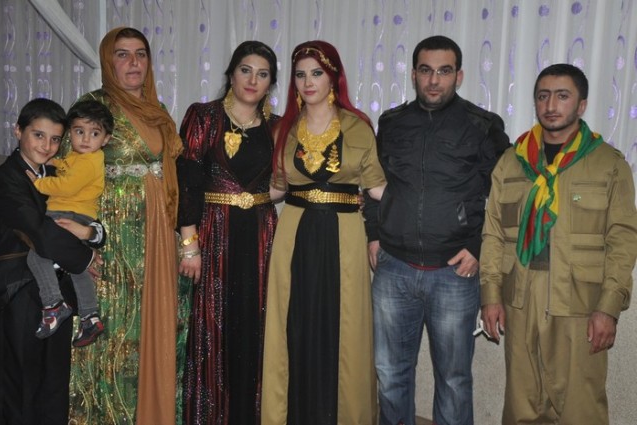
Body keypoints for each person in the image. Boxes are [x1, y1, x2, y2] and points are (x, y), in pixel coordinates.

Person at [363, 35, 510, 425]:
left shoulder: (483, 125)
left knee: (454, 380)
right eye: (426, 71)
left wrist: (477, 245)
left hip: (454, 274)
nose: (433, 80)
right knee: (390, 375)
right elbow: (372, 180)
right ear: (413, 74)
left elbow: (505, 195)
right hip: (394, 269)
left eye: (444, 71)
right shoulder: (391, 123)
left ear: (458, 76)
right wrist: (373, 234)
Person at [480, 63, 637, 424]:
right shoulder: (512, 161)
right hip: (520, 298)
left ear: (581, 105)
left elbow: (623, 239)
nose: (551, 105)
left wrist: (608, 307)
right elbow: (493, 233)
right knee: (521, 405)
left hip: (579, 301)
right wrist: (490, 295)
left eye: (562, 96)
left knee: (580, 407)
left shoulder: (608, 164)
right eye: (543, 96)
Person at [68, 27, 189, 425]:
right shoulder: (92, 107)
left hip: (159, 231)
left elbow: (172, 171)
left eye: (141, 54)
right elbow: (70, 177)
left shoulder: (158, 109)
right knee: (116, 326)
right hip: (112, 235)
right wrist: (78, 245)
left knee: (158, 321)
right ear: (108, 61)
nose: (134, 62)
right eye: (122, 54)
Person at [261, 40, 386, 425]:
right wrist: (228, 201)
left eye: (316, 73)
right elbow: (275, 189)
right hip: (294, 234)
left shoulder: (358, 126)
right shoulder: (283, 129)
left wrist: (428, 208)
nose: (308, 81)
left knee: (342, 326)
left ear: (333, 76)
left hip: (344, 236)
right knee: (294, 324)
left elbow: (377, 189)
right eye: (300, 74)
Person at [177, 40, 279, 424]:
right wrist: (189, 244)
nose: (253, 80)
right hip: (213, 233)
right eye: (245, 70)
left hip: (260, 236)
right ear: (231, 74)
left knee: (255, 323)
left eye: (263, 74)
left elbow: (284, 183)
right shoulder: (203, 116)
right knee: (213, 324)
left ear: (270, 83)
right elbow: (187, 181)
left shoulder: (277, 126)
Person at [0, 98, 105, 425]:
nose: (47, 146)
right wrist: (85, 257)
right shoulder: (7, 178)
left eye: (55, 139)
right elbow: (39, 232)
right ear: (18, 131)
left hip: (59, 292)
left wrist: (92, 233)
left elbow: (85, 211)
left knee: (55, 382)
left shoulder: (60, 171)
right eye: (38, 135)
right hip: (20, 290)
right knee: (22, 383)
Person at [26, 100, 113, 347]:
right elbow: (70, 169)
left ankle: (53, 302)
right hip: (77, 214)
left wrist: (38, 183)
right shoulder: (84, 157)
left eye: (94, 134)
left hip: (68, 214)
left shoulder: (89, 161)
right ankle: (90, 316)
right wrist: (57, 163)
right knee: (76, 266)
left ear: (106, 139)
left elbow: (67, 185)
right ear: (70, 133)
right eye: (79, 131)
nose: (85, 139)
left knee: (36, 255)